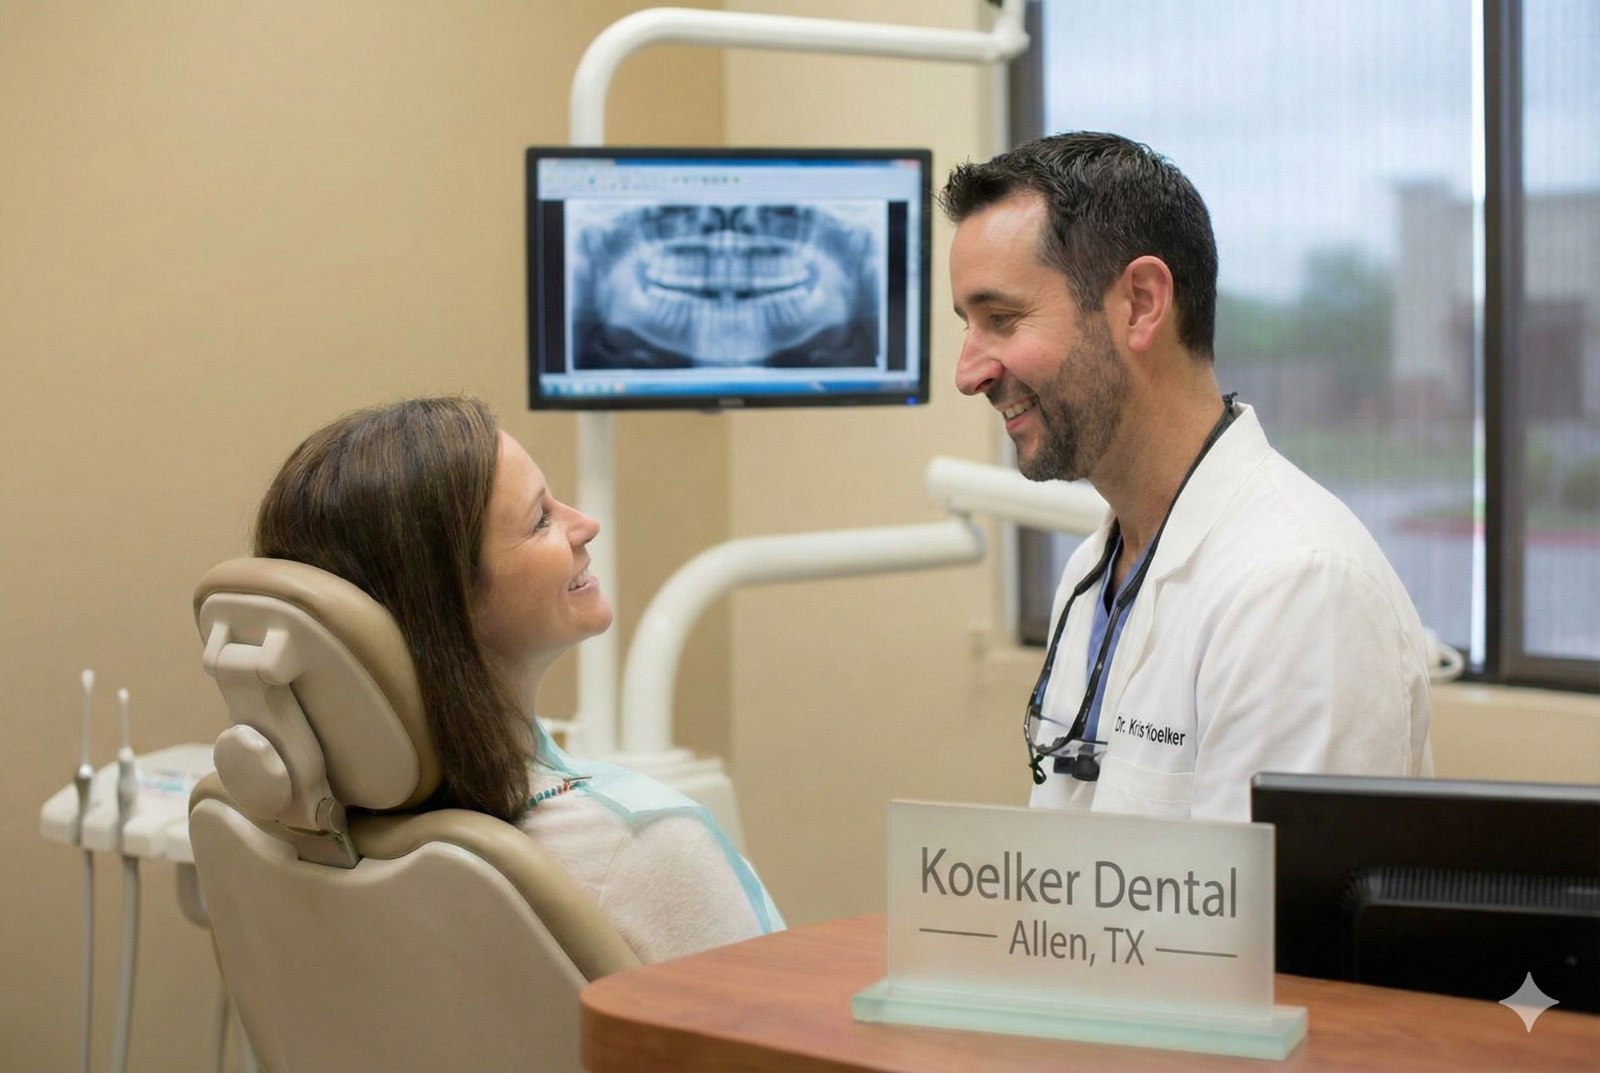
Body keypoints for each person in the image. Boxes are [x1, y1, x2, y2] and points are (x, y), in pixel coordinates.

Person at [941, 132, 1433, 822]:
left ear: (1141, 303)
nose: (968, 373)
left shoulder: (1299, 589)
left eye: (1002, 319)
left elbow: (1264, 896)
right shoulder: (1092, 575)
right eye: (968, 325)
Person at [254, 396, 782, 962]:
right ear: (448, 603)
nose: (586, 525)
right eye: (540, 520)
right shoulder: (639, 848)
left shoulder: (273, 837)